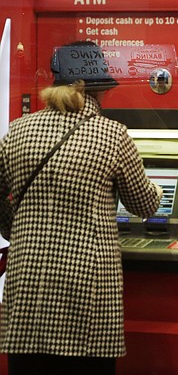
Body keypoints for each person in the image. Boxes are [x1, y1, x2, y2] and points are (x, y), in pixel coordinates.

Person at [0, 41, 162, 374]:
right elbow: (144, 204)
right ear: (95, 90)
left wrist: (17, 230)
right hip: (87, 282)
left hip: (28, 275)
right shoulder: (112, 135)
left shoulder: (17, 131)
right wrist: (160, 188)